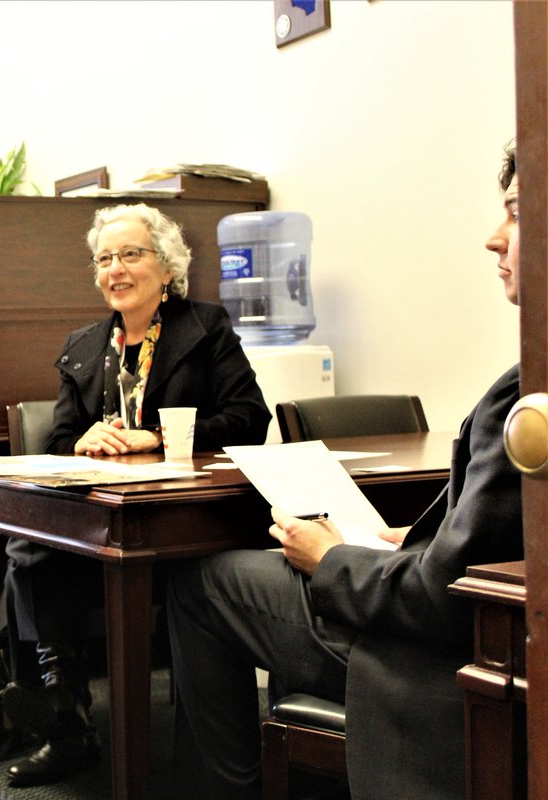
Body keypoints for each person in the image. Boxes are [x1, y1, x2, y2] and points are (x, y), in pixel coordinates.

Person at [165, 142, 525, 799]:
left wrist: (331, 560)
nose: (493, 238)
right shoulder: (89, 348)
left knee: (201, 581)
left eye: (518, 213)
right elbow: (497, 541)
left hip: (436, 651)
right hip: (468, 618)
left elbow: (441, 597)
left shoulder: (530, 403)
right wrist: (421, 540)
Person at [2, 203, 271, 786]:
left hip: (184, 522)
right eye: (104, 259)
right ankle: (66, 725)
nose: (115, 270)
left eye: (130, 254)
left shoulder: (206, 329)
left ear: (167, 266)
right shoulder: (84, 345)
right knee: (29, 548)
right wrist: (82, 442)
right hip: (102, 518)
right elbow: (59, 441)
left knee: (34, 556)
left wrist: (158, 436)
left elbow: (250, 418)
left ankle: (81, 722)